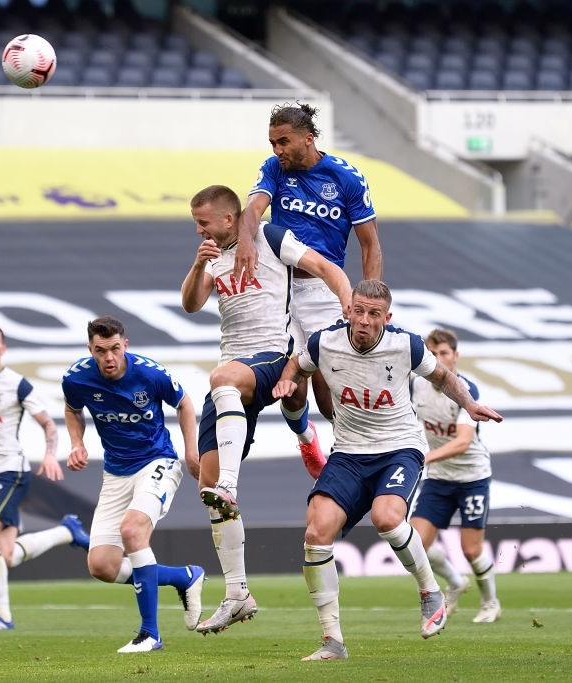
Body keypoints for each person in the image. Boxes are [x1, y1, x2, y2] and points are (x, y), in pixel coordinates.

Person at [272, 280, 503, 661]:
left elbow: (443, 377)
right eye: (358, 311)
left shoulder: (405, 345)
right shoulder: (324, 341)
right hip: (348, 452)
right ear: (348, 310)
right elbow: (299, 363)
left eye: (373, 314)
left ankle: (431, 593)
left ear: (387, 318)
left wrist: (470, 404)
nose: (363, 320)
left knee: (386, 517)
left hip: (399, 449)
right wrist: (286, 378)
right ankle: (333, 642)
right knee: (316, 532)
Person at [180, 184, 352, 634]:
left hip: (273, 353)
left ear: (229, 218)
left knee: (223, 385)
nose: (198, 229)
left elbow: (323, 266)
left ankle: (243, 477)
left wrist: (347, 305)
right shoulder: (211, 255)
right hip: (234, 367)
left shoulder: (271, 239)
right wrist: (198, 264)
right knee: (206, 484)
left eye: (203, 222)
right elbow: (192, 304)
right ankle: (237, 593)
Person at [234, 102, 383, 474]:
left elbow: (370, 245)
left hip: (322, 291)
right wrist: (246, 238)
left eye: (284, 141)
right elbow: (253, 209)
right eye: (272, 142)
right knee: (290, 384)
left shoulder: (346, 178)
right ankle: (305, 438)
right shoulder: (273, 169)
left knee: (326, 388)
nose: (277, 150)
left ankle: (355, 451)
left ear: (308, 138)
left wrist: (370, 298)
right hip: (280, 290)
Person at [62, 315, 205, 654]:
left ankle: (150, 634)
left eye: (114, 349)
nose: (109, 358)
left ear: (125, 344)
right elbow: (72, 410)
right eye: (101, 351)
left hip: (158, 462)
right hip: (116, 473)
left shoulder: (149, 374)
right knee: (102, 566)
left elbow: (184, 403)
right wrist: (76, 443)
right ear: (90, 349)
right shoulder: (76, 378)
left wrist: (192, 451)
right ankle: (184, 577)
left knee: (132, 531)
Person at [0, 322, 91, 632]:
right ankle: (66, 532)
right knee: (5, 555)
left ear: (3, 348)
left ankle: (1, 616)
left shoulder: (16, 384)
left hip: (11, 471)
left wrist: (50, 454)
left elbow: (48, 424)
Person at [410, 328, 502, 623]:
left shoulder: (466, 390)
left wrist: (422, 457)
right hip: (439, 478)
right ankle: (454, 581)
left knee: (471, 549)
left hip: (472, 477)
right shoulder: (415, 386)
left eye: (444, 353)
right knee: (416, 543)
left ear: (456, 356)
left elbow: (463, 442)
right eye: (432, 354)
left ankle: (490, 602)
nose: (438, 359)